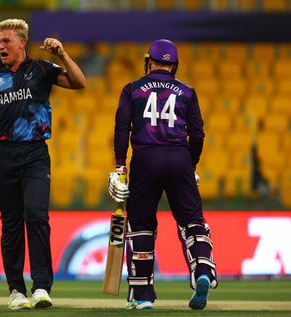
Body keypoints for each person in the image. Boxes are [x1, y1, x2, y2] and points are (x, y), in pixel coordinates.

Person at [0, 18, 85, 310]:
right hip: (3, 156)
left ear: (22, 42)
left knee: (37, 216)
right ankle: (16, 291)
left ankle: (42, 287)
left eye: (6, 41)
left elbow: (79, 83)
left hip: (34, 153)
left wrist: (62, 55)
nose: (0, 47)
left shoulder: (42, 69)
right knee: (10, 224)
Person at [108, 39, 217, 310]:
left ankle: (143, 296)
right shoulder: (187, 91)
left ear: (149, 62)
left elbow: (123, 128)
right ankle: (202, 271)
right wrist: (191, 166)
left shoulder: (132, 89)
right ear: (174, 65)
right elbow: (198, 134)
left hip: (146, 159)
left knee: (142, 224)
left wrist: (120, 166)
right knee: (193, 221)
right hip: (179, 157)